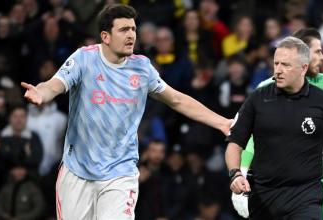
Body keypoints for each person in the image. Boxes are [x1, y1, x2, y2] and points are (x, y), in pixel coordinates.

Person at [21, 4, 231, 220]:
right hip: (77, 171)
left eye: (133, 29)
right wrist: (41, 93)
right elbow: (55, 84)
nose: (131, 35)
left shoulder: (142, 69)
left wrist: (222, 123)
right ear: (106, 36)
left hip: (120, 172)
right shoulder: (84, 59)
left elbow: (177, 100)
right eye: (123, 30)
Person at [225, 36, 323, 219]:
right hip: (263, 198)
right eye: (276, 64)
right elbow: (235, 144)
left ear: (304, 68)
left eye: (286, 65)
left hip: (306, 198)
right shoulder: (258, 98)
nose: (278, 70)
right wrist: (236, 174)